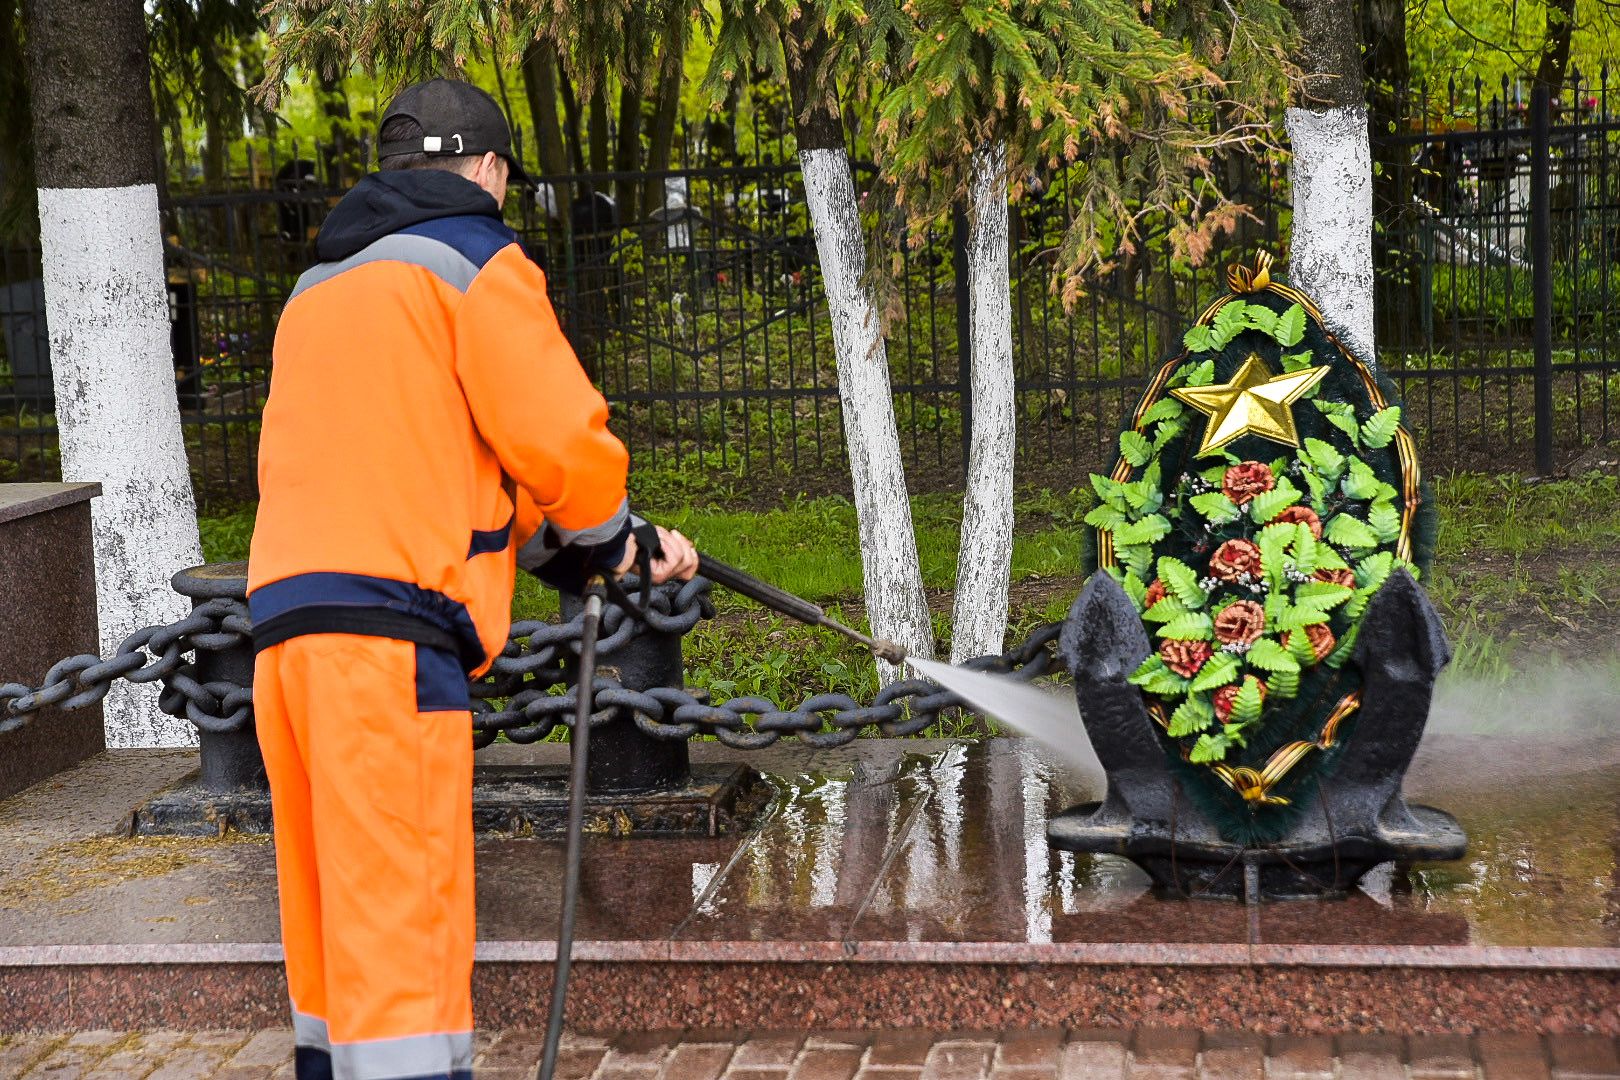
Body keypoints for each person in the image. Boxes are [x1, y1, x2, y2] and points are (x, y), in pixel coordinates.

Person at [246, 78, 697, 1080]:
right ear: (489, 170)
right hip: (388, 645)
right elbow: (556, 440)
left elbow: (441, 466)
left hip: (286, 638)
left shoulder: (321, 286)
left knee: (330, 932)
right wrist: (623, 545)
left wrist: (571, 552)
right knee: (402, 922)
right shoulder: (475, 259)